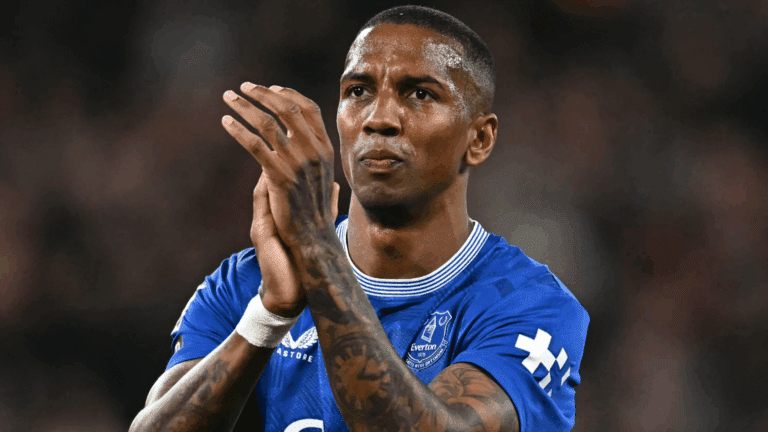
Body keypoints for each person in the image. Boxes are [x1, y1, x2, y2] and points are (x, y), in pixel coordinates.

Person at [129, 5, 589, 432]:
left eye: (420, 93)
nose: (379, 117)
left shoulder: (531, 305)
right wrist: (268, 316)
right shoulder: (247, 285)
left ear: (479, 139)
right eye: (358, 91)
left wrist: (316, 251)